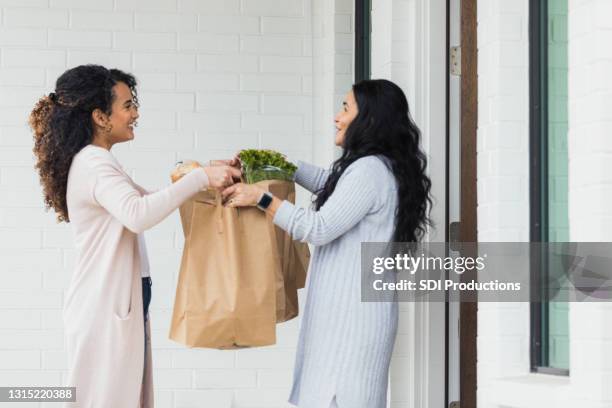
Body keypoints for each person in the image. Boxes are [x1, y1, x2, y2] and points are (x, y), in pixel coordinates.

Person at [28, 64, 240, 407]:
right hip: (103, 307)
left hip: (111, 303)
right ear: (100, 116)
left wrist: (209, 174)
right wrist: (202, 178)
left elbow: (145, 200)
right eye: (127, 106)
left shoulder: (98, 162)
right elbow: (139, 215)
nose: (135, 113)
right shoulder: (95, 163)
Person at [222, 79, 432, 408]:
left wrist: (261, 199)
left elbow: (318, 228)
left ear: (370, 120)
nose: (337, 116)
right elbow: (329, 185)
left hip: (352, 324)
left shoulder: (369, 171)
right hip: (351, 318)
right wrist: (267, 164)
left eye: (346, 108)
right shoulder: (374, 168)